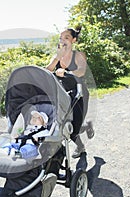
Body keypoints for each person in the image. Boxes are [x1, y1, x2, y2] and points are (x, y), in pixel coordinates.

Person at [46, 26, 91, 158]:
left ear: (74, 40)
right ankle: (80, 145)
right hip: (63, 95)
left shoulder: (79, 55)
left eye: (67, 37)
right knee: (65, 124)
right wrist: (57, 58)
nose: (63, 40)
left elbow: (81, 71)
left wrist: (67, 73)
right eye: (61, 38)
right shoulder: (57, 56)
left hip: (79, 94)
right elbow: (47, 72)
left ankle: (83, 130)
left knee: (75, 125)